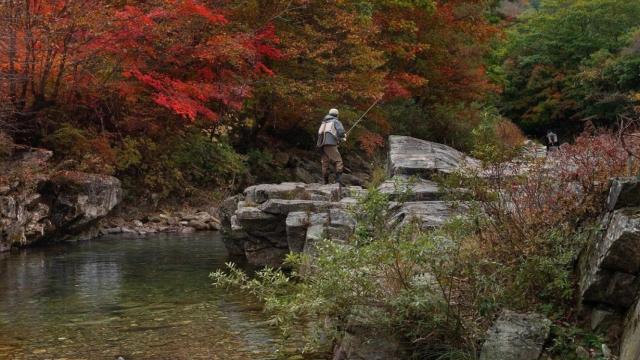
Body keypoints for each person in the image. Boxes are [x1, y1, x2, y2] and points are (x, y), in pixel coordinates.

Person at [317, 108, 346, 184]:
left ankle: (325, 181)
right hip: (330, 144)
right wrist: (343, 137)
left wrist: (339, 138)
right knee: (338, 161)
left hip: (321, 145)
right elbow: (341, 131)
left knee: (325, 163)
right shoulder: (335, 121)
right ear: (337, 115)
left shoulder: (323, 122)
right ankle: (338, 180)